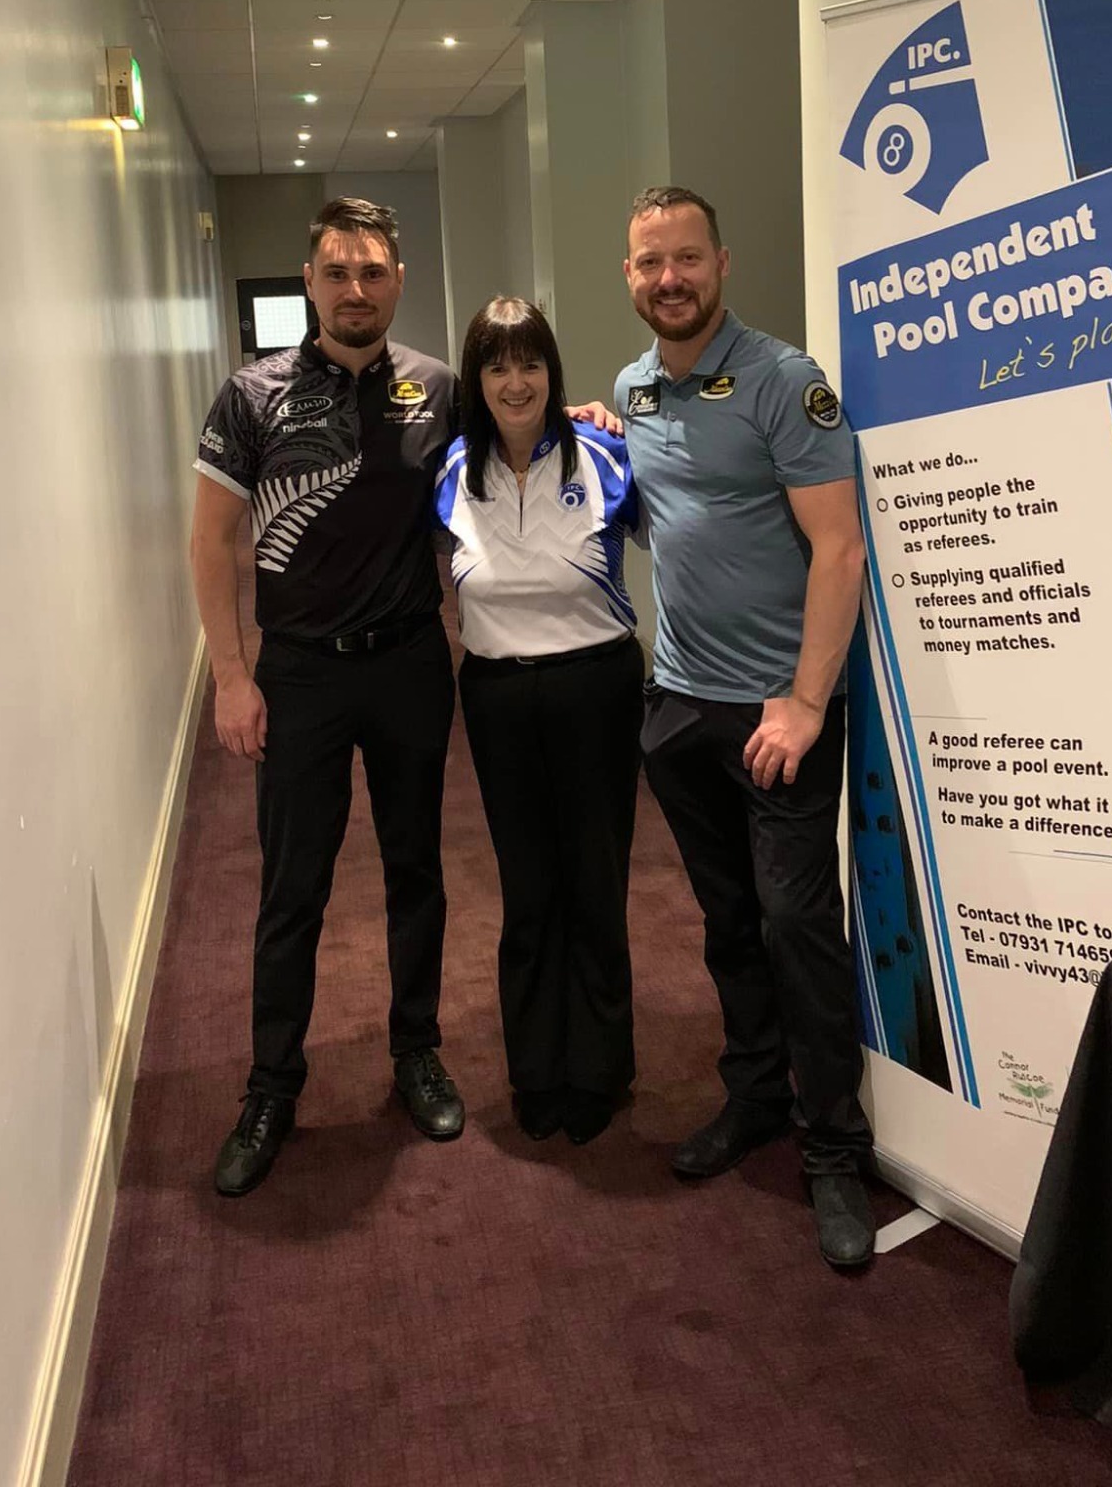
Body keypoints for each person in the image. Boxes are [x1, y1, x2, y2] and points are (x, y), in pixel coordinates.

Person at [615, 185, 875, 1269]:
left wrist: (807, 701)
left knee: (794, 925)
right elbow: (658, 514)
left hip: (778, 713)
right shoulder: (633, 387)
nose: (668, 278)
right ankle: (757, 1092)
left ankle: (835, 1148)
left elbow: (840, 548)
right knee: (727, 921)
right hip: (679, 703)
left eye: (686, 258)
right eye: (649, 263)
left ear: (721, 262)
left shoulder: (782, 380)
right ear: (629, 276)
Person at [191, 197, 465, 1196]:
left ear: (398, 281)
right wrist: (231, 674)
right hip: (300, 672)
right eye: (338, 272)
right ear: (309, 281)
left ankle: (417, 1050)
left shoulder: (438, 388)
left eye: (373, 272)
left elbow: (516, 443)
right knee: (292, 887)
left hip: (409, 664)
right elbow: (210, 540)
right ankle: (271, 1085)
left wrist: (586, 416)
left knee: (415, 867)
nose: (356, 289)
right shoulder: (251, 395)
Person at [436, 299, 644, 1146]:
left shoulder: (605, 452)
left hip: (596, 689)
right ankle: (536, 1068)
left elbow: (686, 530)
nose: (515, 382)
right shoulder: (452, 467)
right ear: (476, 379)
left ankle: (598, 1068)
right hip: (496, 697)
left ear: (553, 372)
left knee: (594, 880)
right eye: (496, 366)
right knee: (528, 888)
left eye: (530, 364)